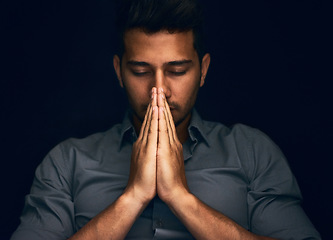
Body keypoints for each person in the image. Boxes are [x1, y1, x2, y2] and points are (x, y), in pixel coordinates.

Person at [11, 0, 321, 239]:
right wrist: (133, 197)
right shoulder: (67, 162)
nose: (159, 89)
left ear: (204, 70)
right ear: (119, 72)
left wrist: (181, 199)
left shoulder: (252, 152)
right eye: (141, 71)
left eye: (177, 70)